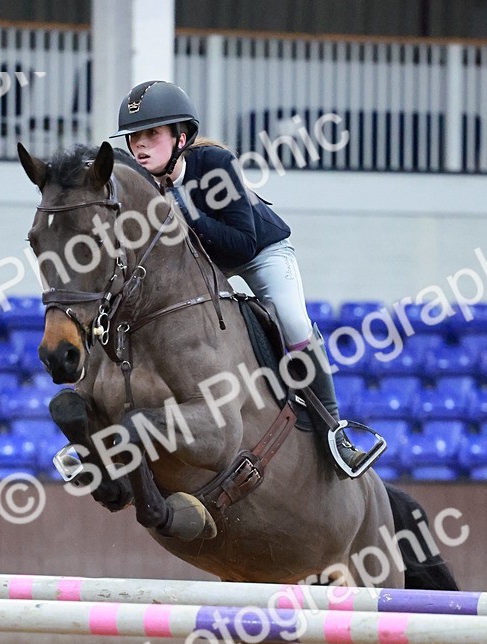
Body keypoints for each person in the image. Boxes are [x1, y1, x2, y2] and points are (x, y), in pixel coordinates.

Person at [112, 80, 380, 476]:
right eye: (135, 136)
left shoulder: (216, 165)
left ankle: (335, 434)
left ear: (181, 137)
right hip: (205, 267)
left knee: (293, 321)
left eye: (152, 134)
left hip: (259, 253)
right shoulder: (141, 184)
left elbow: (240, 243)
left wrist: (185, 210)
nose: (140, 145)